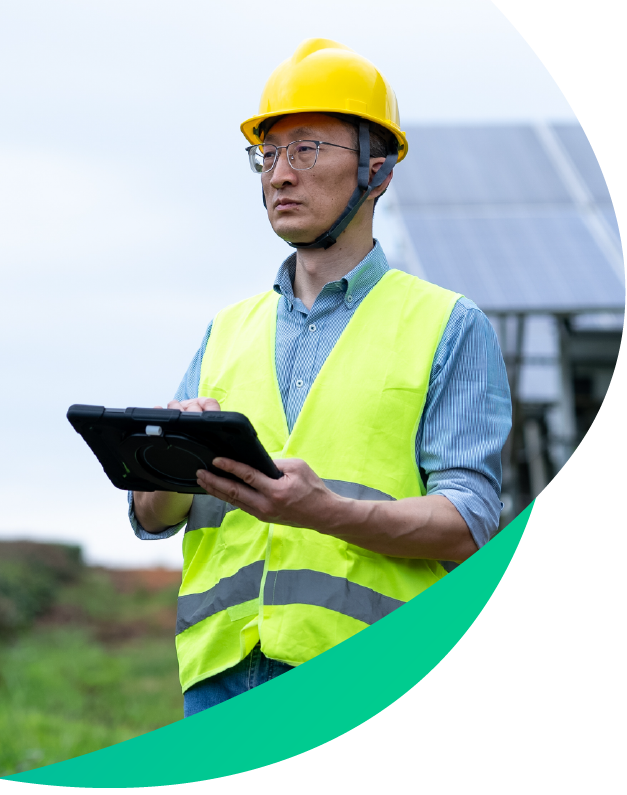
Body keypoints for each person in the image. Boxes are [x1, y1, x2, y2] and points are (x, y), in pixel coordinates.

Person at [130, 38, 509, 715]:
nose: (279, 174)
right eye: (267, 153)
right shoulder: (226, 329)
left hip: (369, 677)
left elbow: (469, 523)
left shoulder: (447, 325)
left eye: (306, 149)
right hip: (218, 680)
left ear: (377, 170)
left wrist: (326, 512)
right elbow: (152, 517)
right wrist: (162, 466)